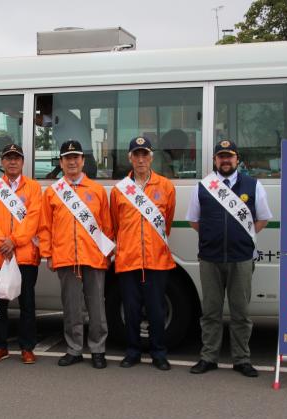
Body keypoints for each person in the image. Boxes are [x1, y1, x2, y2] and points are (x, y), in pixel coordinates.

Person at [186, 140, 272, 377]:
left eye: (230, 156)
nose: (225, 161)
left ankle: (242, 359)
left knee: (240, 312)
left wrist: (242, 238)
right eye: (221, 157)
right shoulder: (203, 187)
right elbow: (194, 221)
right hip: (210, 258)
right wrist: (214, 237)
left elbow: (263, 218)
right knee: (211, 312)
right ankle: (208, 356)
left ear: (237, 159)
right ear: (215, 160)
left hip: (241, 258)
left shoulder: (253, 185)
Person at [39, 140, 114, 369]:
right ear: (61, 163)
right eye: (67, 158)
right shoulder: (52, 193)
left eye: (76, 157)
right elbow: (45, 227)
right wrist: (48, 254)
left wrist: (107, 254)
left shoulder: (97, 190)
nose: (72, 162)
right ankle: (74, 349)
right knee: (71, 306)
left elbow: (107, 227)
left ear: (83, 161)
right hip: (65, 256)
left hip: (93, 257)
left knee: (96, 306)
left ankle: (98, 349)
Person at [110, 137, 176, 371]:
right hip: (128, 259)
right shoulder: (119, 190)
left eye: (144, 154)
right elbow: (115, 225)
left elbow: (165, 223)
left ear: (152, 157)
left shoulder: (165, 186)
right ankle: (133, 350)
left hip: (157, 259)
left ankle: (159, 352)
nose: (140, 159)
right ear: (129, 158)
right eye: (136, 155)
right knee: (131, 309)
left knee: (157, 309)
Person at [0, 144, 42, 364]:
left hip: (25, 254)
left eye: (16, 158)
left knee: (27, 303)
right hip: (0, 255)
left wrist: (14, 241)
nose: (12, 162)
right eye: (8, 158)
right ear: (2, 162)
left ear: (23, 162)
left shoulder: (34, 188)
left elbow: (34, 218)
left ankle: (27, 347)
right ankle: (0, 346)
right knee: (0, 303)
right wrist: (2, 243)